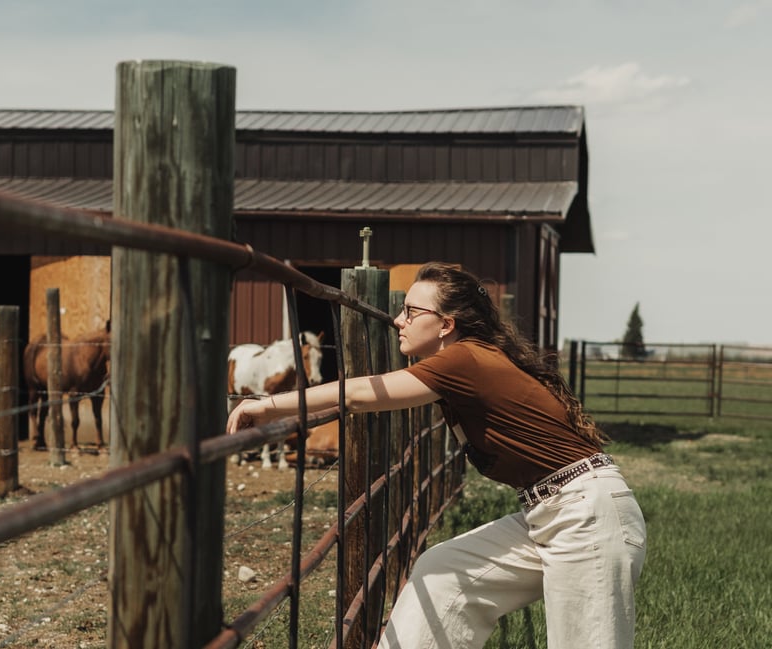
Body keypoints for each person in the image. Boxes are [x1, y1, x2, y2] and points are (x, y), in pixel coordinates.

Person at [226, 261, 646, 649]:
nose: (398, 320)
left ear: (446, 324)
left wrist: (266, 405)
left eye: (411, 311)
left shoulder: (463, 359)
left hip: (585, 516)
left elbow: (358, 393)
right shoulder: (464, 361)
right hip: (553, 511)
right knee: (444, 573)